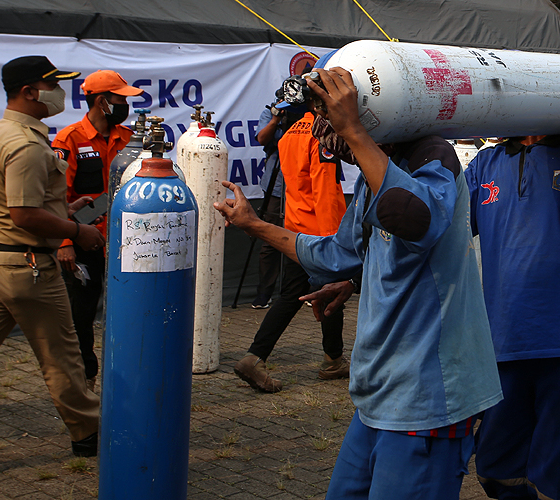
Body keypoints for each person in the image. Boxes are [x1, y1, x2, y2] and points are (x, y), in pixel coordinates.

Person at [215, 65, 502, 499]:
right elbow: (338, 252)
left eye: (331, 115)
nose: (325, 131)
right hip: (378, 397)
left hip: (427, 402)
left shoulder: (432, 155)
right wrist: (255, 225)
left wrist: (352, 130)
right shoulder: (375, 177)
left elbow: (415, 220)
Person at [464, 83, 560, 500]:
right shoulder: (487, 163)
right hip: (506, 345)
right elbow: (441, 226)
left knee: (555, 474)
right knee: (496, 468)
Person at [0, 56, 106, 465]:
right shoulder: (23, 143)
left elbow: (17, 204)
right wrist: (77, 231)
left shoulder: (4, 133)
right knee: (62, 356)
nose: (59, 92)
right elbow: (22, 214)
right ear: (28, 92)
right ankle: (90, 431)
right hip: (25, 268)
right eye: (52, 84)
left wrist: (65, 208)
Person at [232, 103, 349, 393]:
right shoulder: (320, 134)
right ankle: (328, 359)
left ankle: (332, 358)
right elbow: (324, 189)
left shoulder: (289, 134)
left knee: (295, 295)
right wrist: (333, 240)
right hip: (319, 230)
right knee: (327, 294)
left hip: (295, 226)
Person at [52, 70, 143, 390]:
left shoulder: (130, 138)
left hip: (124, 240)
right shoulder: (69, 139)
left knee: (130, 306)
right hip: (83, 241)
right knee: (82, 314)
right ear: (102, 102)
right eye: (121, 99)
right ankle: (85, 377)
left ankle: (129, 371)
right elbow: (57, 197)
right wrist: (64, 242)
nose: (125, 105)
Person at [250, 89, 289, 309]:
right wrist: (277, 118)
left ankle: (304, 288)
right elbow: (262, 138)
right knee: (270, 240)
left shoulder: (308, 115)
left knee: (304, 234)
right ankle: (264, 293)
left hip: (302, 186)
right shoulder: (272, 111)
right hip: (275, 186)